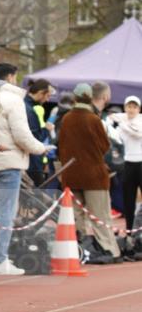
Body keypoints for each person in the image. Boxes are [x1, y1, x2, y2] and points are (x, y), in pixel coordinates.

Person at [0, 62, 51, 275]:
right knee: (6, 211)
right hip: (9, 161)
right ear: (11, 77)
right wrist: (41, 148)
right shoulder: (13, 100)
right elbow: (22, 135)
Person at [58, 82, 120, 261]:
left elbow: (61, 144)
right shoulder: (93, 119)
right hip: (94, 175)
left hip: (71, 174)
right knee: (100, 216)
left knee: (75, 216)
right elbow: (104, 145)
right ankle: (109, 250)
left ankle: (79, 249)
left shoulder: (67, 118)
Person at [109, 95, 142, 234]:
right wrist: (110, 123)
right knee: (128, 200)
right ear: (125, 107)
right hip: (127, 164)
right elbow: (115, 137)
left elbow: (138, 134)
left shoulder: (140, 120)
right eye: (129, 106)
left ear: (138, 109)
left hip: (141, 163)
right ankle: (130, 231)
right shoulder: (123, 122)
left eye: (134, 107)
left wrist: (120, 120)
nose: (131, 109)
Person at [24, 79, 54, 186]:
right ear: (41, 93)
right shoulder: (31, 110)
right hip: (32, 162)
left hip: (29, 160)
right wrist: (46, 129)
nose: (48, 100)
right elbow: (35, 137)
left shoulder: (25, 105)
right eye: (48, 96)